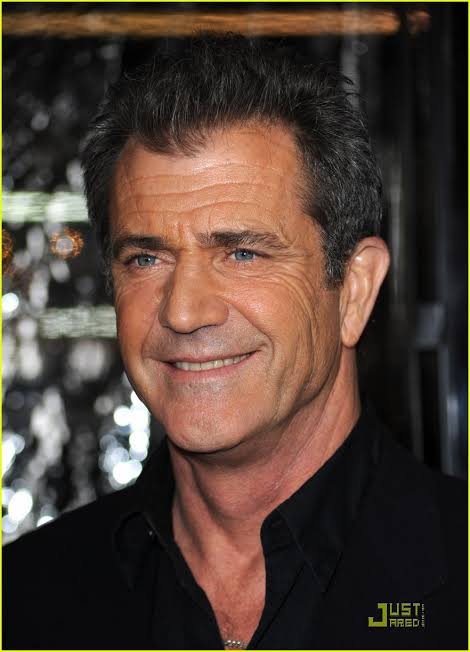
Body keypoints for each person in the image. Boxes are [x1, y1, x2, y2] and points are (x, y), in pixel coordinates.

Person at [3, 34, 466, 650]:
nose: (183, 311)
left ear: (353, 292)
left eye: (243, 253)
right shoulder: (25, 597)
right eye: (146, 259)